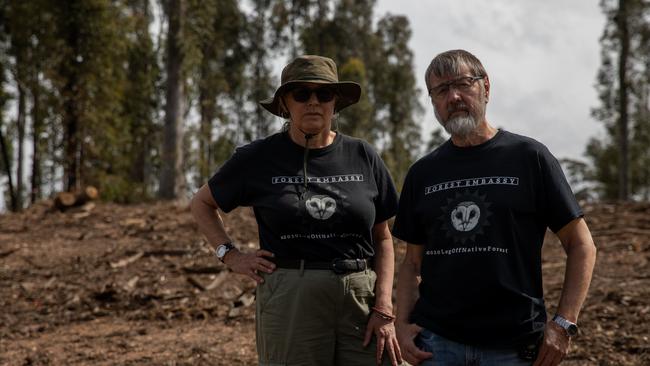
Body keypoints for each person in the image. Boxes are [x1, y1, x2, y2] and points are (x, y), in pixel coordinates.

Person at [191, 54, 403, 366]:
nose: (313, 102)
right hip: (291, 295)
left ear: (335, 102)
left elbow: (382, 238)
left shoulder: (363, 155)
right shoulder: (259, 157)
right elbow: (202, 203)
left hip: (360, 295)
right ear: (285, 104)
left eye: (324, 94)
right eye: (302, 94)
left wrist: (384, 306)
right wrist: (230, 255)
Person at [392, 49, 597, 366]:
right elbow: (412, 264)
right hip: (438, 347)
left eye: (463, 84)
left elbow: (581, 244)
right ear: (433, 101)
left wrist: (564, 323)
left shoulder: (529, 158)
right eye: (442, 90)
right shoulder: (423, 173)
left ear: (485, 86)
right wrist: (402, 326)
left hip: (513, 348)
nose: (455, 96)